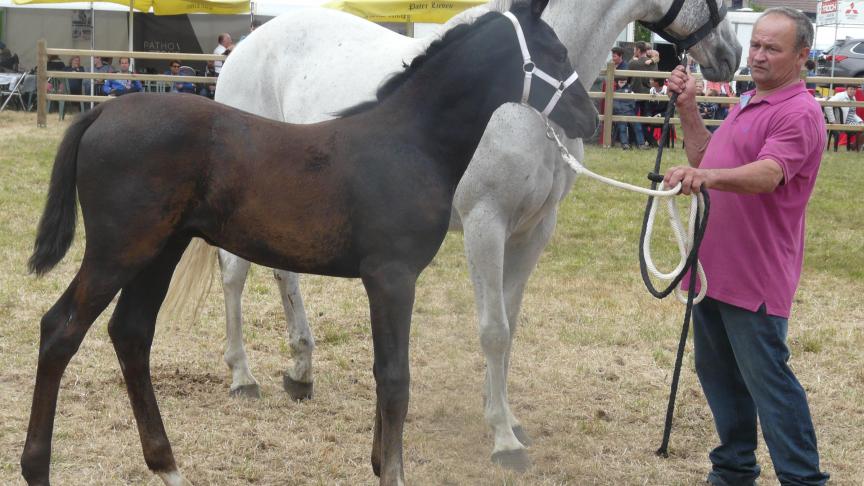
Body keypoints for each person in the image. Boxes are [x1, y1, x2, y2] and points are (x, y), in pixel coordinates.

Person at [662, 7, 830, 486]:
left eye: (771, 49)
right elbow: (705, 156)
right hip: (713, 271)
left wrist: (706, 176)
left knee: (770, 385)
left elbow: (767, 175)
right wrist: (689, 108)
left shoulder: (799, 113)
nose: (757, 56)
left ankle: (803, 479)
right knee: (721, 380)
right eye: (755, 44)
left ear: (801, 57)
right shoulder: (750, 101)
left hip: (755, 277)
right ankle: (733, 471)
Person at [627, 41, 656, 148]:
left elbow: (627, 78)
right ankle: (650, 140)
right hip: (648, 94)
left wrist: (632, 58)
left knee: (633, 117)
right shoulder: (653, 63)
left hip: (635, 93)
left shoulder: (633, 63)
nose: (634, 51)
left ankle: (632, 141)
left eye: (635, 49)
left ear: (638, 50)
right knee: (646, 119)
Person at [612, 77, 646, 150]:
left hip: (630, 112)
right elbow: (615, 105)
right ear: (617, 82)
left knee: (638, 126)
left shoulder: (630, 91)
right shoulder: (613, 90)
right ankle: (625, 144)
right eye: (620, 82)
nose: (622, 84)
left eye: (623, 82)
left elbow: (633, 104)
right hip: (619, 113)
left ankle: (641, 144)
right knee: (622, 127)